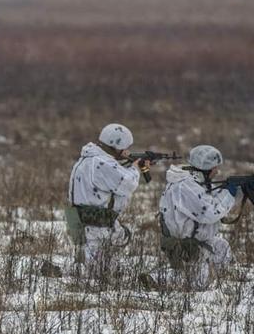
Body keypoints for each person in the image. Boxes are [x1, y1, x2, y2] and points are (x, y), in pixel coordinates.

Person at [147, 145, 238, 290]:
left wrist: (229, 189)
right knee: (198, 282)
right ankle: (157, 278)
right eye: (215, 168)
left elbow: (206, 200)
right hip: (184, 245)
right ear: (206, 169)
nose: (217, 171)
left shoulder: (193, 181)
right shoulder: (186, 186)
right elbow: (209, 213)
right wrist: (229, 194)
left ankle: (219, 284)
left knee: (222, 247)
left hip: (194, 242)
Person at [66, 123, 148, 268]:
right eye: (124, 147)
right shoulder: (102, 162)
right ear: (117, 145)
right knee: (98, 273)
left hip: (82, 222)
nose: (126, 151)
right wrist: (136, 168)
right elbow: (127, 184)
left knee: (86, 266)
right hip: (97, 225)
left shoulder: (88, 158)